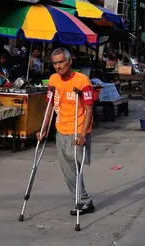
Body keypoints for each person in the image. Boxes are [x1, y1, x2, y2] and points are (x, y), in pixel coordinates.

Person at [37, 48, 95, 216]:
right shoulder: (53, 80)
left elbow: (89, 109)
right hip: (61, 129)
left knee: (74, 168)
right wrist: (43, 129)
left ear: (70, 62)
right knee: (68, 169)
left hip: (78, 130)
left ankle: (83, 200)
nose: (58, 66)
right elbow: (50, 107)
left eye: (61, 62)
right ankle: (84, 201)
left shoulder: (83, 80)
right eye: (55, 63)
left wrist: (83, 134)